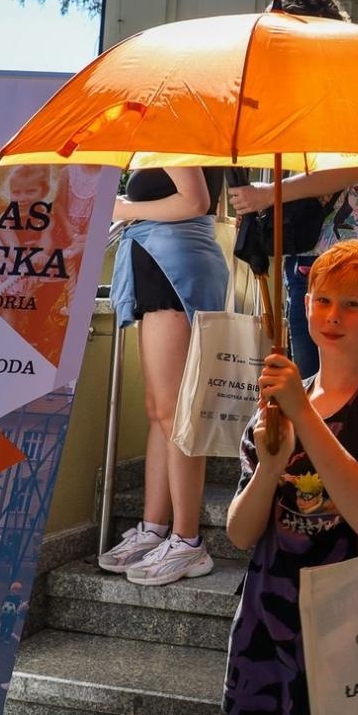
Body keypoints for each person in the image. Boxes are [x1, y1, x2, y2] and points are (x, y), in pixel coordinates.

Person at [221, 241, 358, 714]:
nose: (334, 315)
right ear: (306, 304)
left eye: (353, 305)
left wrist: (302, 416)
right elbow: (240, 532)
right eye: (325, 300)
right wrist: (271, 465)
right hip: (269, 624)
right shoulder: (277, 408)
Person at [228, 0, 358, 379]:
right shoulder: (333, 86)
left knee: (322, 386)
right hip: (323, 258)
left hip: (331, 261)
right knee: (320, 384)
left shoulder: (341, 89)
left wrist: (266, 195)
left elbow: (348, 170)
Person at [101, 166, 229, 585]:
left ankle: (188, 541)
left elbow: (194, 201)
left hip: (174, 267)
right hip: (158, 262)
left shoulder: (177, 120)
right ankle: (155, 529)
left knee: (175, 412)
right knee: (160, 409)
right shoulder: (168, 127)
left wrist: (119, 206)